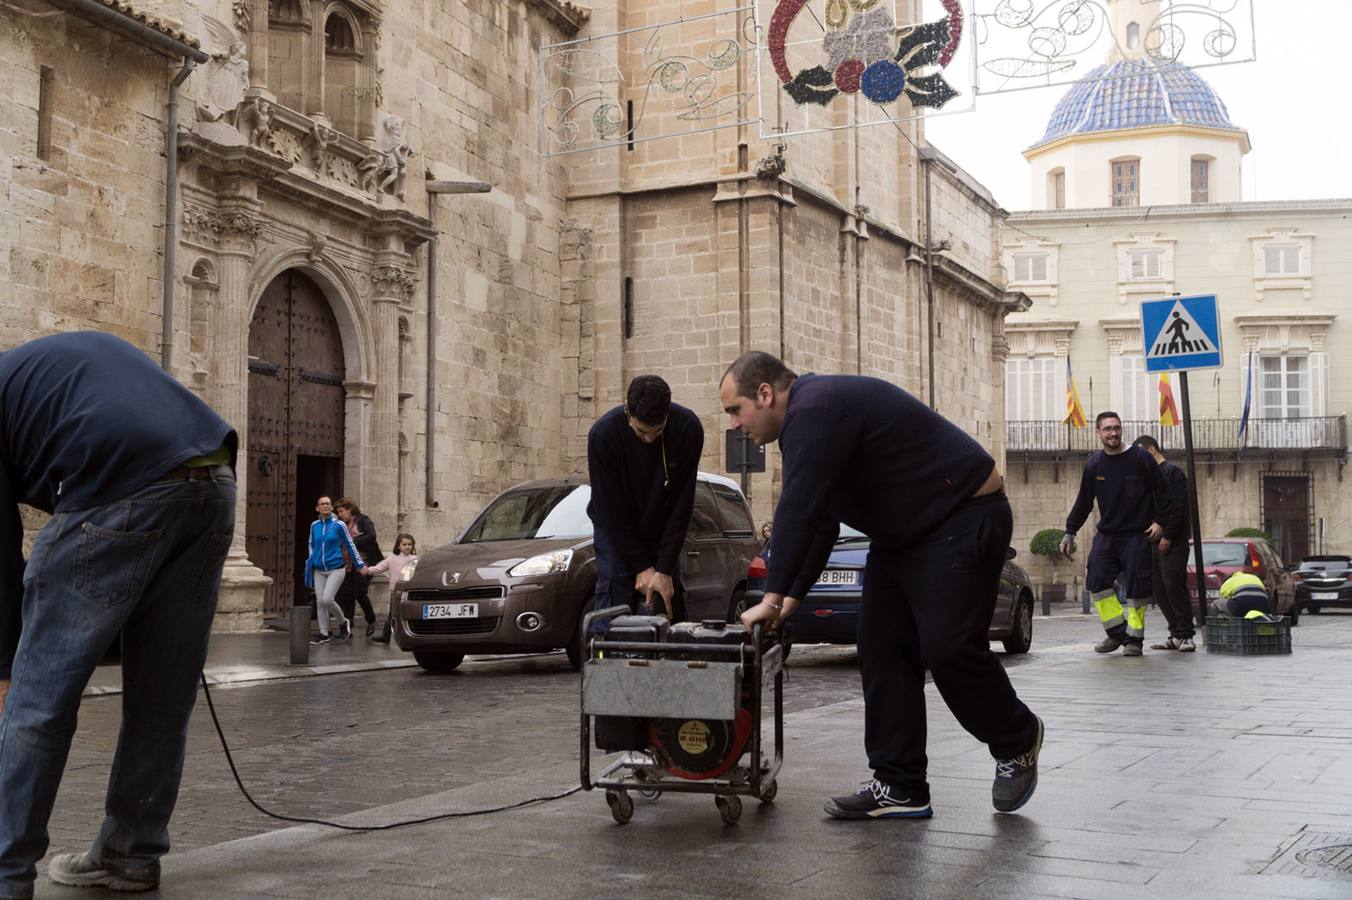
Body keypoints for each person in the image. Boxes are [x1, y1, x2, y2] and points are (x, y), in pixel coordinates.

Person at [725, 352, 1042, 820]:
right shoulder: (814, 420)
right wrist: (789, 599)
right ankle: (901, 785)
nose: (734, 424)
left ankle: (1017, 740)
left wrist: (770, 596)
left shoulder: (813, 409)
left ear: (766, 394)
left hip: (963, 515)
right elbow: (821, 523)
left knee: (947, 647)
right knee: (881, 646)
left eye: (735, 409)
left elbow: (799, 508)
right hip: (905, 536)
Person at [0, 331, 236, 898]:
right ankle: (131, 854)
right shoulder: (40, 370)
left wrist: (8, 666)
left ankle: (5, 873)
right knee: (162, 695)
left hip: (118, 483)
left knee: (37, 702)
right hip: (214, 482)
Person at [586, 374, 704, 620]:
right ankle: (608, 648)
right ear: (628, 410)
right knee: (615, 585)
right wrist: (641, 566)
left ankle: (671, 646)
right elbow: (610, 508)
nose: (649, 439)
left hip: (661, 525)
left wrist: (662, 568)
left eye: (657, 432)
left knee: (666, 593)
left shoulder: (688, 429)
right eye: (641, 432)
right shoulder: (603, 435)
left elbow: (682, 504)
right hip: (615, 528)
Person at [1060, 412, 1171, 657]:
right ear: (1098, 433)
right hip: (1108, 535)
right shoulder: (1094, 464)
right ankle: (1117, 633)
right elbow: (1084, 502)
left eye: (1117, 428)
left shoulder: (1140, 457)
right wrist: (1069, 532)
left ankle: (1134, 641)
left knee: (1137, 588)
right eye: (1108, 429)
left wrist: (1160, 522)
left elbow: (1164, 491)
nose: (1113, 433)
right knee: (1097, 580)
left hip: (1136, 535)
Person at [1132, 436, 1196, 652]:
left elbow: (1178, 508)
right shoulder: (1151, 477)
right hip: (1154, 542)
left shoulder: (1172, 472)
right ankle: (1175, 634)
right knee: (1160, 591)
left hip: (1173, 542)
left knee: (1174, 587)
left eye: (1141, 455)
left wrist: (1167, 536)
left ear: (1151, 450)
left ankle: (1187, 635)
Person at [304, 496, 365, 644]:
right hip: (319, 569)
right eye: (321, 504)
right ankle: (324, 634)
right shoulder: (314, 525)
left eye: (327, 504)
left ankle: (343, 621)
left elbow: (350, 544)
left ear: (331, 507)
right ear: (317, 508)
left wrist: (359, 565)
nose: (325, 506)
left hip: (336, 568)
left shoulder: (339, 525)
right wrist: (313, 559)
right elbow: (311, 544)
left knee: (327, 599)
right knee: (320, 602)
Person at [334, 498, 381, 637]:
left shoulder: (363, 520)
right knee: (347, 594)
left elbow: (371, 536)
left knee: (360, 593)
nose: (340, 514)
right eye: (338, 512)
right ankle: (347, 627)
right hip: (347, 563)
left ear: (350, 509)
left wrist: (352, 542)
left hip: (364, 562)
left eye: (342, 511)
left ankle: (371, 620)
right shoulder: (341, 524)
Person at [365, 533, 419, 645]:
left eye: (410, 544)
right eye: (404, 544)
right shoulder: (392, 558)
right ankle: (386, 636)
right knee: (392, 614)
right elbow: (379, 568)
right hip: (395, 591)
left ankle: (412, 634)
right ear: (398, 546)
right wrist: (367, 570)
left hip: (409, 592)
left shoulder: (414, 560)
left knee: (408, 613)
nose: (408, 546)